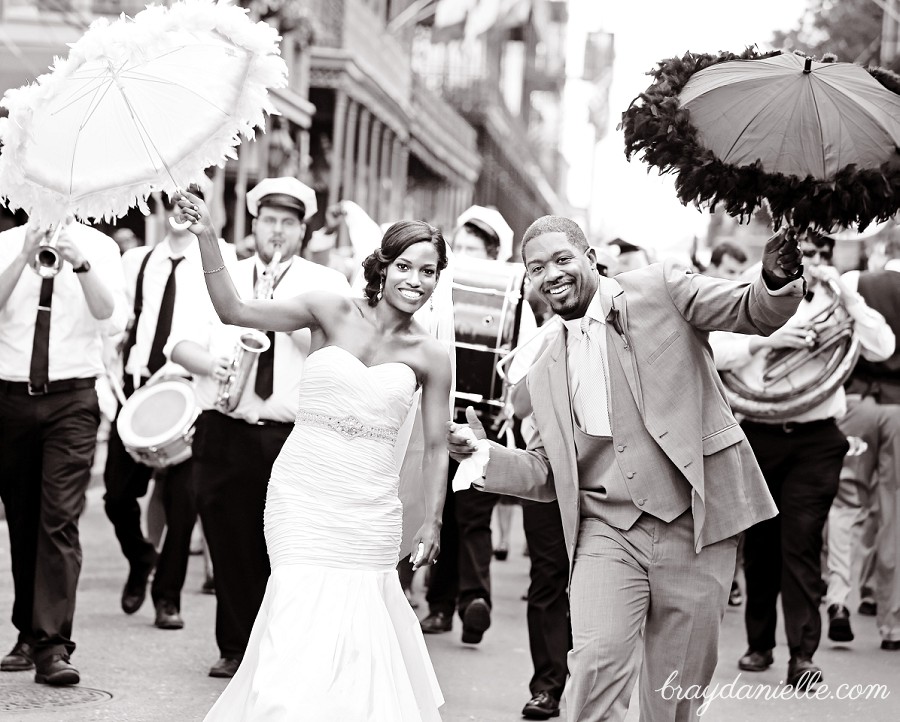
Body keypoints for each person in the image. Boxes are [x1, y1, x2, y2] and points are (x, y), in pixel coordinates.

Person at [448, 215, 804, 721]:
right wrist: (482, 455)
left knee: (673, 697)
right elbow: (553, 472)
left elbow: (750, 309)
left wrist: (773, 280)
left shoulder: (660, 287)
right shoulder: (544, 369)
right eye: (536, 268)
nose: (551, 274)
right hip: (607, 532)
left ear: (591, 257)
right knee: (592, 671)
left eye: (562, 259)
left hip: (696, 521)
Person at [174, 190, 452, 721]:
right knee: (296, 615)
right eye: (405, 266)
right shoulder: (330, 307)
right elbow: (234, 310)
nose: (415, 280)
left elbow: (437, 446)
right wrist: (209, 236)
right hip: (301, 495)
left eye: (429, 271)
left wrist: (432, 522)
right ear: (383, 266)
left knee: (357, 635)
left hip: (370, 509)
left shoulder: (432, 356)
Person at [167, 177, 351, 679]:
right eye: (269, 220)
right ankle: (235, 646)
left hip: (288, 433)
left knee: (283, 547)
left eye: (288, 222)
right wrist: (212, 365)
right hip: (224, 423)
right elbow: (177, 343)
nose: (277, 230)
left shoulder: (325, 283)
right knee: (227, 541)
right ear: (254, 223)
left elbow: (338, 356)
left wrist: (291, 332)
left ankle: (278, 645)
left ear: (303, 230)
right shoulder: (218, 271)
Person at [711, 229, 894, 688]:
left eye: (816, 254)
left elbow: (883, 347)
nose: (807, 261)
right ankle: (759, 644)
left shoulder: (837, 299)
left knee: (803, 542)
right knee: (761, 545)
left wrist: (850, 297)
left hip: (816, 439)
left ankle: (803, 654)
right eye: (800, 253)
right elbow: (712, 351)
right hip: (759, 433)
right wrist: (768, 341)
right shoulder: (748, 294)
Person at [0, 219, 126, 685]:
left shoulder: (101, 246)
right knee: (23, 519)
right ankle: (27, 633)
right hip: (9, 397)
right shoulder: (7, 244)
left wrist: (81, 263)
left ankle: (52, 645)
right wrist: (22, 256)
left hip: (72, 399)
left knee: (58, 519)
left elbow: (113, 321)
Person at [102, 196, 234, 630]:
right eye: (174, 196)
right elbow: (117, 327)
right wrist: (111, 382)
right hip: (137, 390)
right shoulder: (136, 260)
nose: (182, 204)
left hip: (189, 390)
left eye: (195, 193)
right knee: (117, 495)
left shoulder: (222, 258)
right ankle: (142, 559)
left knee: (184, 505)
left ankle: (167, 597)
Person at [420, 204, 536, 646]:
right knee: (439, 509)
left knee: (471, 514)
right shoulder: (437, 289)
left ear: (493, 254)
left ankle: (472, 602)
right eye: (459, 248)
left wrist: (509, 407)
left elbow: (521, 357)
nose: (464, 256)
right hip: (435, 416)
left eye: (473, 249)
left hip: (481, 424)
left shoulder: (514, 298)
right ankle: (439, 604)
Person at [823, 234, 900, 651]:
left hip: (858, 404)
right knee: (895, 511)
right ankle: (893, 624)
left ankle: (839, 599)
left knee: (847, 504)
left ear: (883, 251)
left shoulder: (857, 282)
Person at [700, 239, 751, 607]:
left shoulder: (738, 302)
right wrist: (757, 348)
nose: (735, 280)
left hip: (742, 415)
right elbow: (712, 352)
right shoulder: (700, 297)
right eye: (730, 272)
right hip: (705, 420)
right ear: (713, 266)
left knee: (738, 501)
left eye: (739, 273)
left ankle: (731, 574)